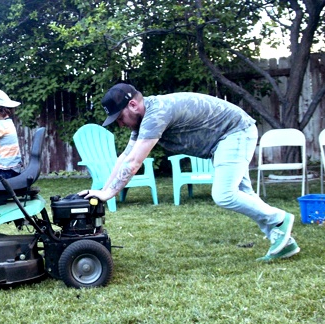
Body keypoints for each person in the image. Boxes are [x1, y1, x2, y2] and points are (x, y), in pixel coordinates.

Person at [80, 83, 299, 262]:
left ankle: (279, 219)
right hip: (223, 140)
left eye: (120, 118)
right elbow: (124, 158)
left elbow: (135, 162)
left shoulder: (157, 114)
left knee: (224, 194)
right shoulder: (144, 121)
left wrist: (109, 194)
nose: (120, 124)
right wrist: (102, 190)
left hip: (234, 133)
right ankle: (284, 243)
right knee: (243, 194)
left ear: (133, 105)